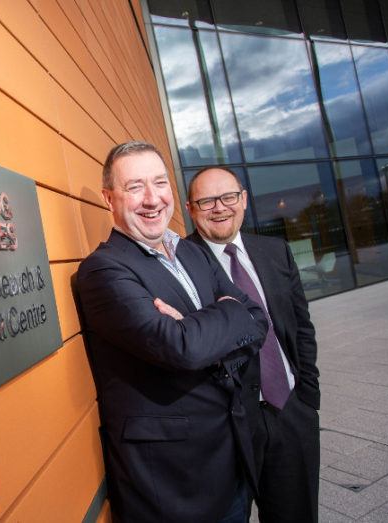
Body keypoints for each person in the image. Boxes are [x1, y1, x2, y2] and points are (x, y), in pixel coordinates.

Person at [76, 141, 268, 522]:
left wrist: (200, 326)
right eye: (134, 187)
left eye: (160, 183)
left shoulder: (191, 252)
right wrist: (221, 316)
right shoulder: (103, 272)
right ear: (108, 198)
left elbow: (256, 317)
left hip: (230, 461)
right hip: (173, 486)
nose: (152, 199)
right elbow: (182, 348)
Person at [185, 166, 320, 522]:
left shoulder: (275, 251)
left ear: (243, 199)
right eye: (207, 200)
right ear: (190, 208)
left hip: (290, 410)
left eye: (228, 197)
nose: (220, 207)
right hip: (227, 427)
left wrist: (308, 396)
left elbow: (301, 326)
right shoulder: (180, 263)